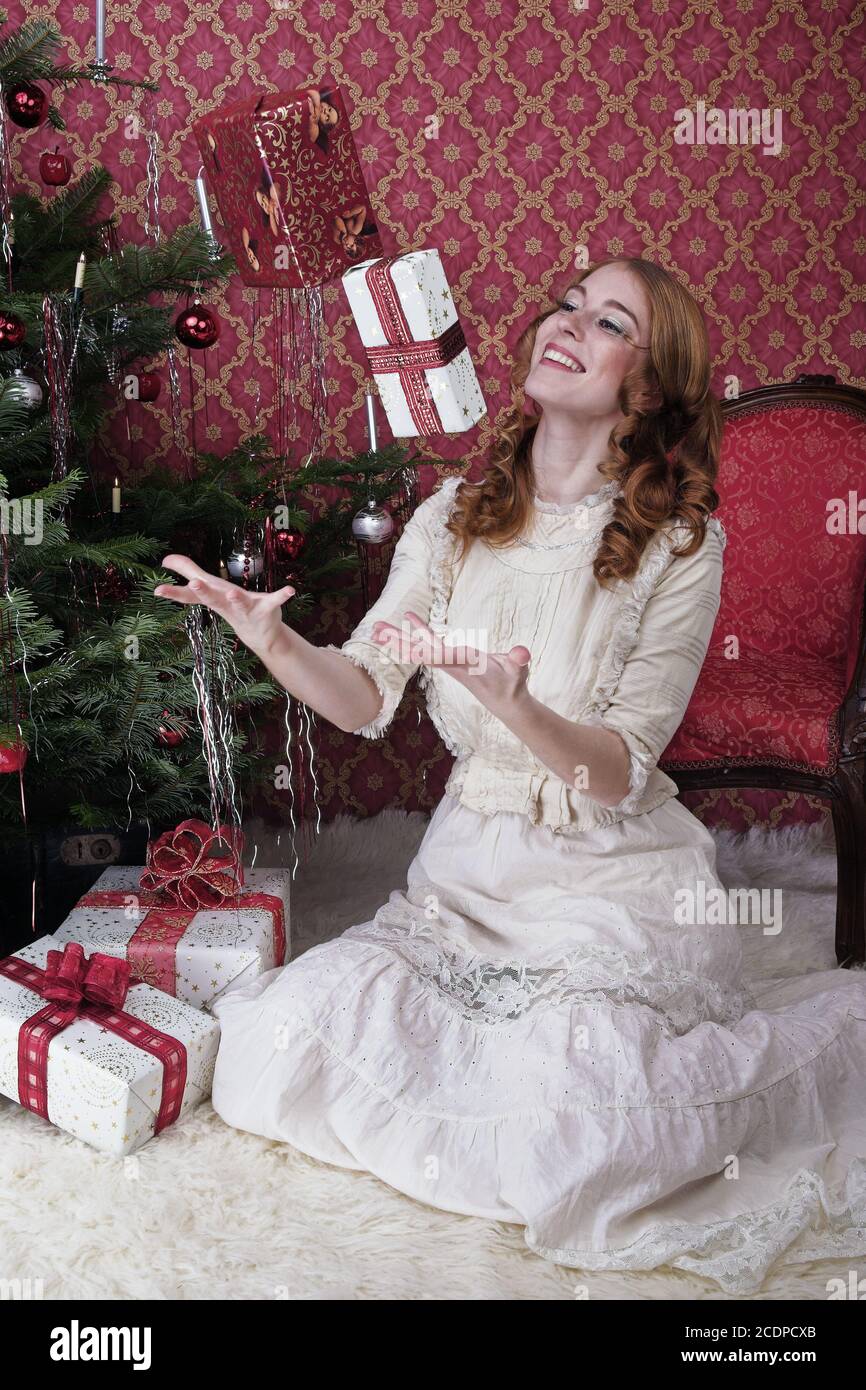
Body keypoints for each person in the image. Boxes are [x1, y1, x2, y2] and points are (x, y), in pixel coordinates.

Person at [154, 257, 866, 1295]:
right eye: (568, 303)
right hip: (467, 877)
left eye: (608, 320)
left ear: (649, 386)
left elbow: (618, 773)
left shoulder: (678, 542)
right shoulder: (451, 516)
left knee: (579, 1135)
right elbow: (363, 696)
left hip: (607, 880)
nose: (566, 322)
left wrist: (518, 707)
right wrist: (269, 639)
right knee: (277, 1048)